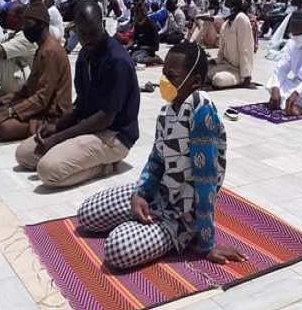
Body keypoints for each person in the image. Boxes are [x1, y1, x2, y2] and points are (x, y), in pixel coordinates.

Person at [76, 42, 246, 269]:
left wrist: (208, 243)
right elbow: (156, 160)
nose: (164, 80)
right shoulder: (167, 112)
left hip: (181, 215)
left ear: (194, 81)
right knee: (88, 213)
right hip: (159, 193)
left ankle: (172, 235)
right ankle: (140, 219)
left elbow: (206, 184)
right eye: (164, 73)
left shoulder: (201, 112)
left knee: (116, 248)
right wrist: (141, 194)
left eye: (172, 76)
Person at [15, 0, 140, 188]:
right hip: (89, 127)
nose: (88, 39)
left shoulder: (117, 61)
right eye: (82, 33)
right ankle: (80, 155)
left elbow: (106, 118)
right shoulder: (85, 56)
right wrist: (57, 126)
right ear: (75, 31)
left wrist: (59, 138)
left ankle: (104, 165)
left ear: (103, 25)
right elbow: (81, 104)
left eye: (92, 32)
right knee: (24, 154)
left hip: (115, 135)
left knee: (48, 171)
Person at [0, 2, 72, 141]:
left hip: (52, 115)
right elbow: (27, 90)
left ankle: (36, 128)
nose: (24, 28)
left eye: (27, 24)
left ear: (41, 25)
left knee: (4, 127)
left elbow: (42, 98)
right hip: (39, 106)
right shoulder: (42, 48)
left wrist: (11, 112)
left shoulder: (51, 51)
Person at [207, 0, 255, 89]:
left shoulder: (242, 19)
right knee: (203, 72)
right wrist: (214, 61)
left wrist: (246, 75)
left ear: (234, 8)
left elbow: (245, 49)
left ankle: (241, 79)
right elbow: (221, 51)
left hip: (238, 70)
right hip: (225, 65)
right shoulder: (225, 24)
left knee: (218, 80)